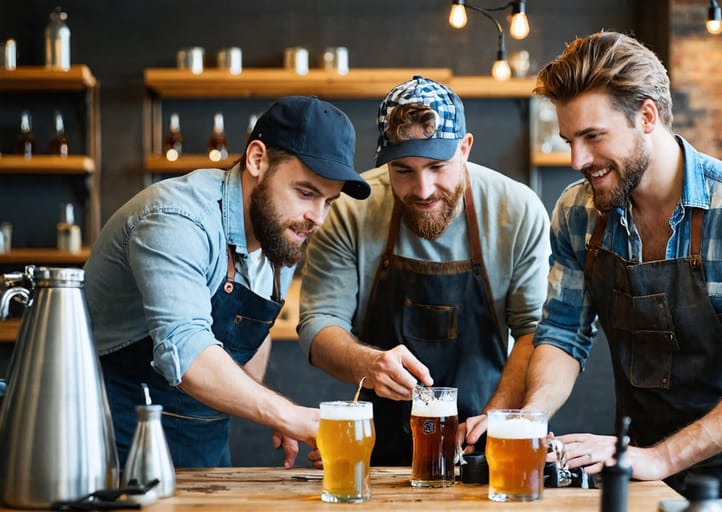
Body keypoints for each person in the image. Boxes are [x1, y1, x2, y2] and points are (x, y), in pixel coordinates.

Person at [519, 32, 722, 498]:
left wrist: (660, 457)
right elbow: (562, 332)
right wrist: (530, 422)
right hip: (638, 472)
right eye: (569, 140)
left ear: (647, 116)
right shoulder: (579, 213)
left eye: (593, 137)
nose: (576, 160)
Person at [84, 96, 371, 468]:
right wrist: (286, 414)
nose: (316, 217)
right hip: (115, 444)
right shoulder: (176, 219)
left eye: (328, 202)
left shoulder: (278, 232)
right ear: (257, 160)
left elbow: (247, 337)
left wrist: (267, 407)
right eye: (305, 192)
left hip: (205, 449)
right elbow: (186, 352)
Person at [297, 76, 551, 465]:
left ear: (465, 149)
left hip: (481, 445)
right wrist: (368, 363)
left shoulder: (515, 210)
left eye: (437, 166)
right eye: (403, 170)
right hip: (374, 446)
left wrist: (498, 416)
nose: (423, 188)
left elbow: (533, 329)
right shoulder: (350, 210)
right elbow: (318, 324)